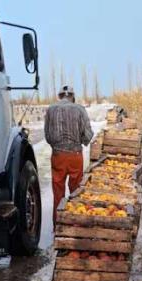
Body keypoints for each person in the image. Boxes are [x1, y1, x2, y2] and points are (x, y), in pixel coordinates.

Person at [45, 86, 93, 222]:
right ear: (72, 96)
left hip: (58, 156)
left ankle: (57, 225)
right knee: (75, 191)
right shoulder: (79, 109)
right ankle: (73, 225)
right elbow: (88, 135)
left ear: (60, 96)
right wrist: (80, 141)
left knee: (58, 191)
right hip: (75, 156)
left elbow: (48, 136)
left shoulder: (51, 109)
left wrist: (57, 145)